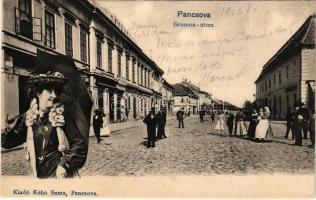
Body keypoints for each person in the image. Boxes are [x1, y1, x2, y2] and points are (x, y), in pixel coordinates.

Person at [1, 72, 87, 178]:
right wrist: (8, 128)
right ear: (38, 93)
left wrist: (64, 165)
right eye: (49, 91)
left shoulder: (61, 116)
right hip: (37, 174)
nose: (54, 95)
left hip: (57, 174)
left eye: (55, 91)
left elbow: (79, 145)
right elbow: (7, 143)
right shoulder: (29, 117)